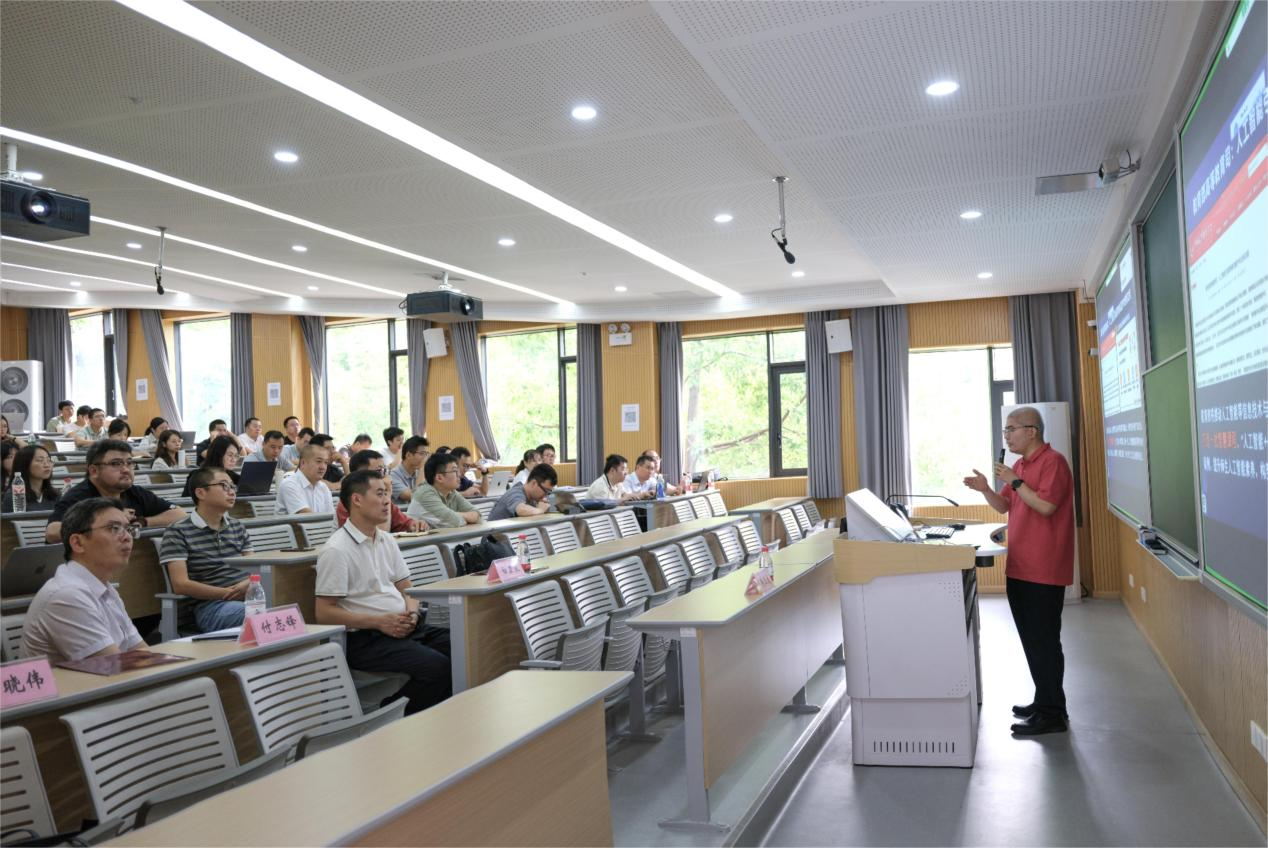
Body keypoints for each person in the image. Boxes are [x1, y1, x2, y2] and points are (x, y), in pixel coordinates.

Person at [963, 405, 1075, 737]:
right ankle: (1045, 701)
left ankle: (1053, 714)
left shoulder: (1053, 462)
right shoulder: (1021, 465)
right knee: (1031, 640)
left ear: (1032, 431)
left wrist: (1014, 480)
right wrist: (986, 488)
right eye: (1005, 431)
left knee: (1045, 641)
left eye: (1011, 429)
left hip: (1044, 568)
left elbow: (1046, 506)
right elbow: (1005, 505)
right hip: (1020, 566)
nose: (1007, 436)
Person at [315, 469, 452, 715]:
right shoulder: (336, 550)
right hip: (366, 639)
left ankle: (438, 716)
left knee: (462, 646)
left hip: (403, 626)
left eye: (387, 494)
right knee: (437, 667)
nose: (387, 501)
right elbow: (324, 613)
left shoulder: (386, 539)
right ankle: (389, 717)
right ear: (357, 499)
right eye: (379, 494)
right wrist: (379, 622)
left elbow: (408, 589)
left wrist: (412, 613)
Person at [21, 498, 149, 662]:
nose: (127, 537)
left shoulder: (106, 589)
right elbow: (114, 667)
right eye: (114, 528)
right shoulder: (66, 595)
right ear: (78, 543)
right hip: (74, 681)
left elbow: (143, 653)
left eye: (129, 529)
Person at [160, 467, 255, 631]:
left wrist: (248, 584)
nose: (232, 492)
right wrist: (227, 593)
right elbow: (180, 584)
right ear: (201, 493)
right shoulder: (177, 531)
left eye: (233, 487)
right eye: (224, 486)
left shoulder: (237, 526)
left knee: (290, 602)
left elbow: (254, 567)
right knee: (260, 613)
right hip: (211, 607)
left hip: (247, 597)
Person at [45, 440, 186, 543]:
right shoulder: (79, 496)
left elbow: (180, 515)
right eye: (116, 464)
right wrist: (110, 519)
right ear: (94, 471)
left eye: (129, 463)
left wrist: (143, 521)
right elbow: (52, 533)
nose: (126, 469)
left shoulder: (134, 492)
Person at [336, 450, 427, 533]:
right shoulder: (350, 503)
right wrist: (387, 494)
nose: (385, 476)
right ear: (359, 474)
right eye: (379, 471)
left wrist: (415, 525)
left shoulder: (383, 499)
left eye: (385, 470)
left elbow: (405, 523)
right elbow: (378, 535)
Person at [409, 452, 480, 527]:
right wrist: (466, 517)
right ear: (439, 478)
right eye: (455, 471)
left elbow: (478, 516)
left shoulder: (452, 492)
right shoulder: (425, 493)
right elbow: (454, 522)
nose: (459, 475)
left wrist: (457, 515)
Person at [275, 444, 334, 515]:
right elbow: (306, 517)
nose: (323, 467)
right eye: (318, 461)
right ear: (303, 463)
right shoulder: (289, 484)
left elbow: (331, 517)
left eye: (326, 463)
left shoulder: (323, 487)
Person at [489, 463, 556, 520]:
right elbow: (521, 510)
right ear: (534, 483)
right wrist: (541, 510)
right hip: (496, 531)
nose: (546, 495)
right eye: (545, 491)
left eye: (549, 492)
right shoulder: (515, 493)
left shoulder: (533, 497)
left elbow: (552, 508)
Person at [3, 445, 59, 511]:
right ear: (25, 464)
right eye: (40, 460)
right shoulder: (15, 495)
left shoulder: (55, 494)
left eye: (49, 460)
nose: (47, 465)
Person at [389, 436, 429, 504]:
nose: (425, 458)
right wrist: (422, 468)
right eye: (422, 453)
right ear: (408, 455)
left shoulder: (420, 472)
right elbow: (415, 497)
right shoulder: (393, 476)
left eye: (426, 454)